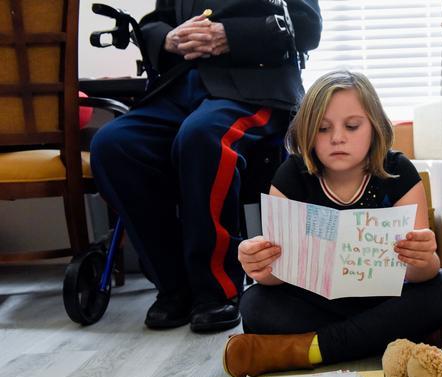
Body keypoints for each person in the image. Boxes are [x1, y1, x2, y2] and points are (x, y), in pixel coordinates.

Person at [90, 0, 322, 332]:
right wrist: (168, 39)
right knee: (112, 145)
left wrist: (231, 36)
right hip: (180, 87)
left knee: (203, 136)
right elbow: (156, 22)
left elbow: (308, 25)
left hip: (255, 87)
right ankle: (173, 286)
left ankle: (216, 289)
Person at [224, 70, 442, 377]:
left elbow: (422, 273)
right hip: (319, 305)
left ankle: (311, 349)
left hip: (384, 301)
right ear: (307, 132)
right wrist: (258, 265)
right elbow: (276, 276)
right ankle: (393, 338)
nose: (337, 137)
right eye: (323, 128)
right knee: (254, 303)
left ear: (375, 127)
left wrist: (423, 259)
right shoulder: (292, 175)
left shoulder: (398, 172)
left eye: (352, 126)